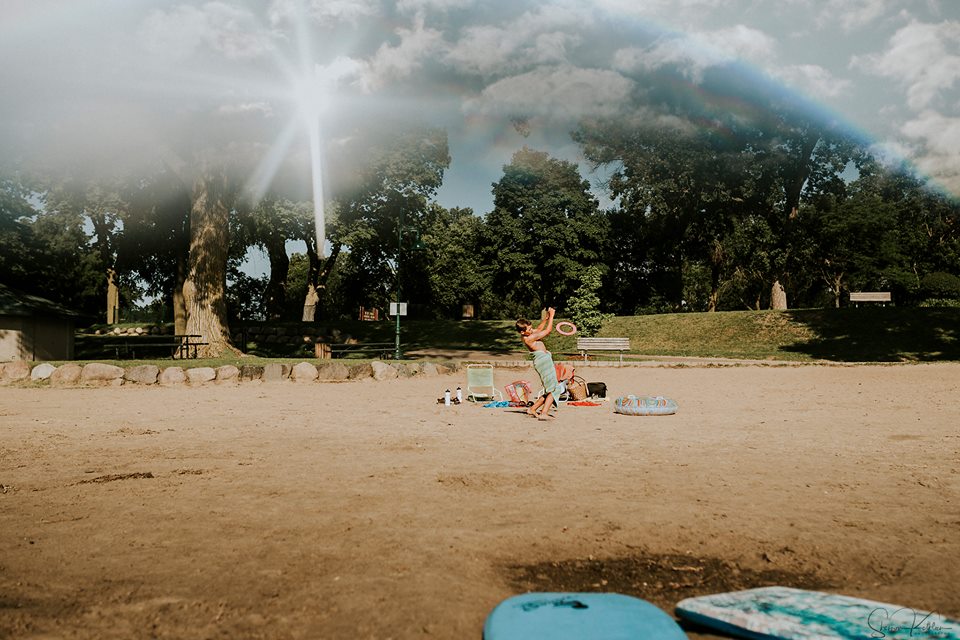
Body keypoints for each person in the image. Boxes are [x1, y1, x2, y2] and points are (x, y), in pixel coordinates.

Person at [515, 307, 562, 420]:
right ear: (522, 331)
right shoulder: (529, 337)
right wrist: (552, 316)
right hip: (543, 362)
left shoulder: (528, 333)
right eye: (529, 329)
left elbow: (540, 328)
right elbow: (547, 331)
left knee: (552, 388)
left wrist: (545, 319)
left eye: (531, 328)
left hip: (544, 361)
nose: (532, 330)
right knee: (553, 389)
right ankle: (544, 413)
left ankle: (532, 409)